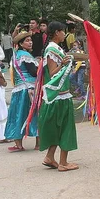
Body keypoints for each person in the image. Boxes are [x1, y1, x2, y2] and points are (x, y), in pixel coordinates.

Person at [38, 22, 78, 172]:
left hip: (58, 94)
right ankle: (63, 162)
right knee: (65, 127)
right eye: (62, 32)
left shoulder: (54, 48)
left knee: (57, 127)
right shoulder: (52, 49)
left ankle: (50, 157)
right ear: (56, 32)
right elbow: (53, 72)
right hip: (59, 95)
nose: (64, 34)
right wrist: (62, 64)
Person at [5, 32, 39, 152]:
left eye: (30, 40)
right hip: (29, 88)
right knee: (35, 113)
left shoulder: (15, 55)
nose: (30, 42)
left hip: (19, 89)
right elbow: (34, 72)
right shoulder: (26, 55)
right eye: (27, 41)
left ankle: (18, 144)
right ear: (20, 43)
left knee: (17, 114)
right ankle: (38, 143)